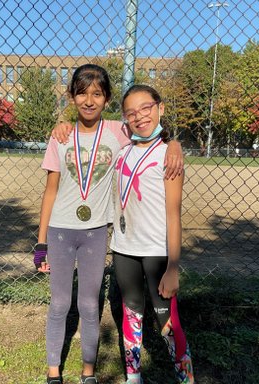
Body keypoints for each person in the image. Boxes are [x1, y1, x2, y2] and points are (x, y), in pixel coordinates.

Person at [35, 64, 183, 384]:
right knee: (60, 302)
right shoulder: (61, 137)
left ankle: (89, 372)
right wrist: (40, 242)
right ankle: (53, 372)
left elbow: (152, 131)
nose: (89, 100)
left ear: (106, 99)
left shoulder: (118, 130)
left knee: (90, 303)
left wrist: (175, 144)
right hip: (60, 231)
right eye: (82, 93)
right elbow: (49, 191)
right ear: (71, 96)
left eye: (97, 94)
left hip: (97, 230)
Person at [110, 84, 194, 383]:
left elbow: (174, 214)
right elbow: (92, 125)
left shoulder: (169, 157)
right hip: (123, 248)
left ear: (160, 107)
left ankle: (185, 377)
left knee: (166, 320)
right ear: (124, 118)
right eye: (131, 112)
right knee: (131, 312)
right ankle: (134, 377)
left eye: (146, 108)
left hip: (157, 252)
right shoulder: (122, 151)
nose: (139, 116)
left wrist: (173, 267)